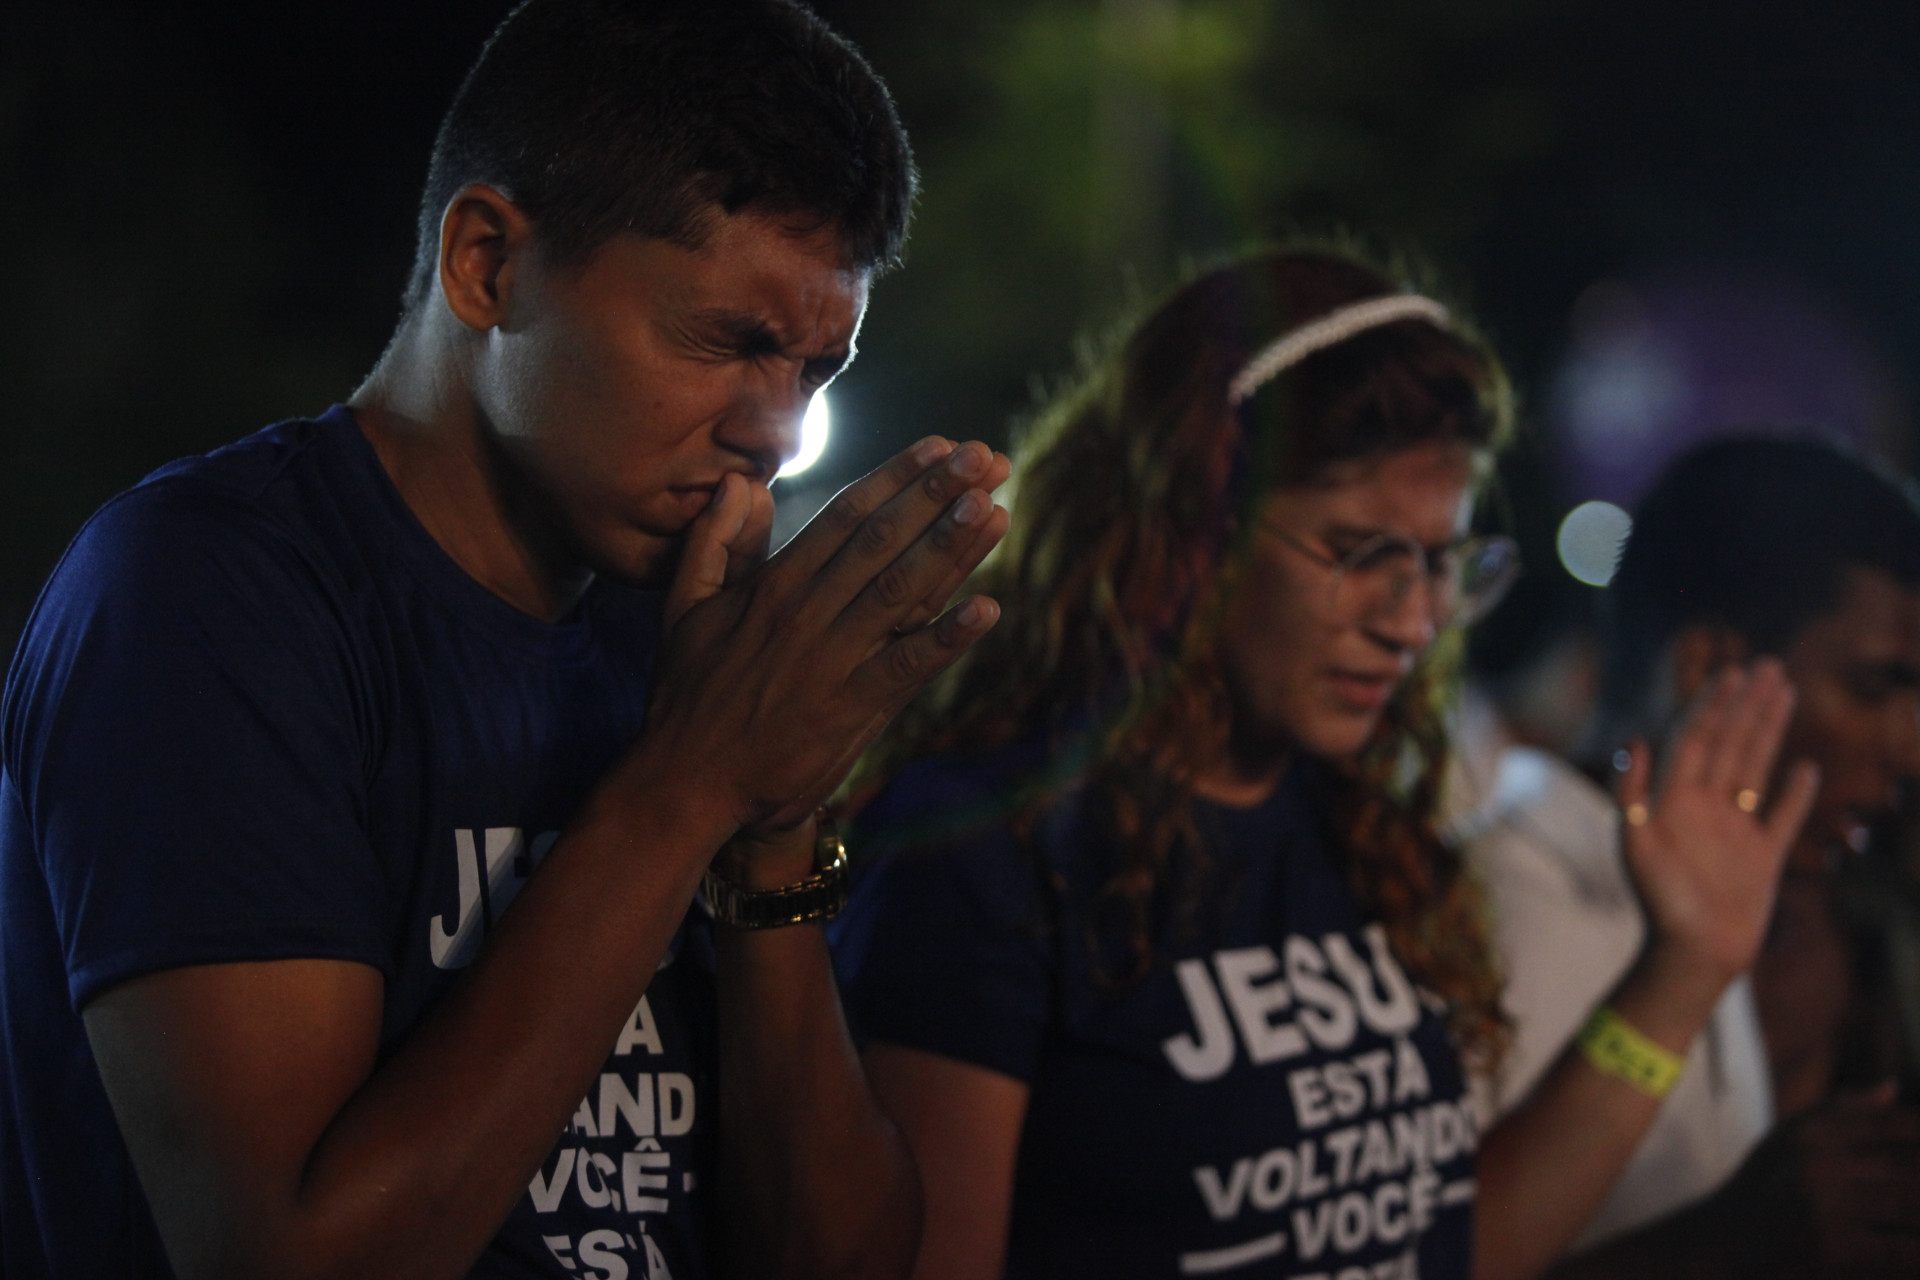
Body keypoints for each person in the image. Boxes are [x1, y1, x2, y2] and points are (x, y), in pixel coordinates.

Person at [0, 2, 1016, 1277]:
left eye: (816, 369)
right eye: (729, 341)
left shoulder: (681, 631)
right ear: (486, 264)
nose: (776, 430)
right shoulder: (208, 593)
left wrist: (770, 837)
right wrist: (691, 781)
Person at [827, 248, 1813, 1280]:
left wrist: (1684, 971)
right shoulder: (988, 847)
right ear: (1192, 530)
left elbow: (1439, 1249)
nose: (1414, 621)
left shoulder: (1359, 816)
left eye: (1440, 560)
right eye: (1359, 551)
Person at [1459, 436, 1920, 1277]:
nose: (1911, 751)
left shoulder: (1730, 901)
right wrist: (1729, 1244)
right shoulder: (1506, 911)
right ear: (1707, 668)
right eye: (1870, 686)